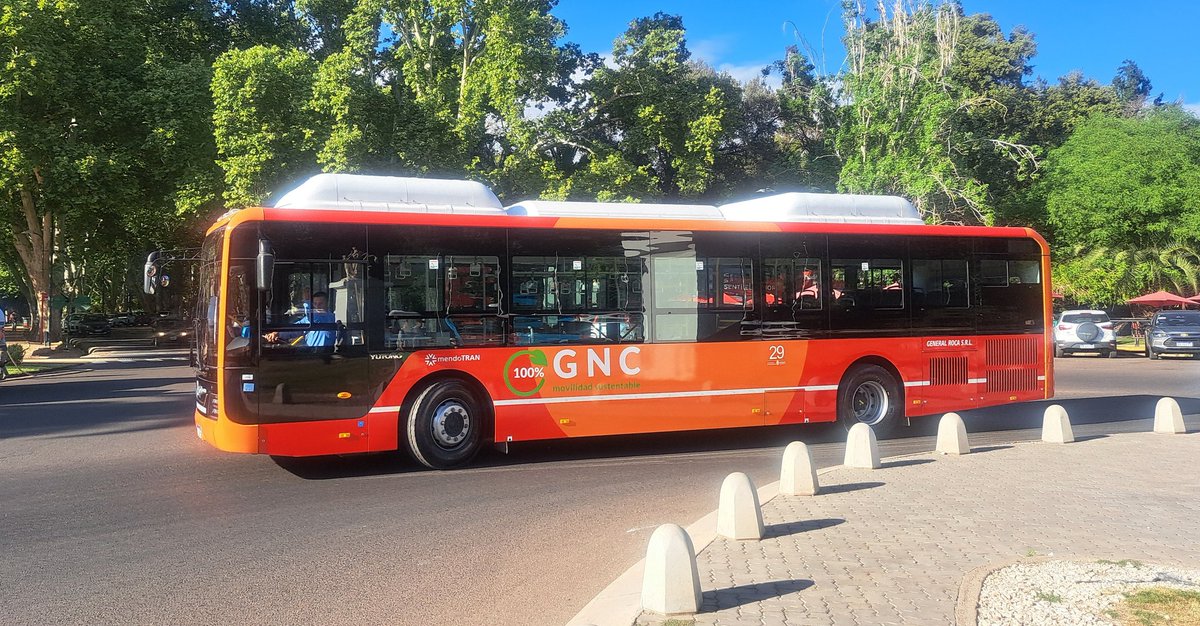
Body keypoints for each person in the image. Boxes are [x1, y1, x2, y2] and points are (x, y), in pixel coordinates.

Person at [264, 291, 336, 347]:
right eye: (315, 303)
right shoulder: (308, 319)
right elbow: (295, 329)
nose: (317, 306)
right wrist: (277, 334)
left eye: (321, 303)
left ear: (327, 304)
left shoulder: (330, 317)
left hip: (325, 355)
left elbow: (314, 318)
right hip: (311, 354)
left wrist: (307, 301)